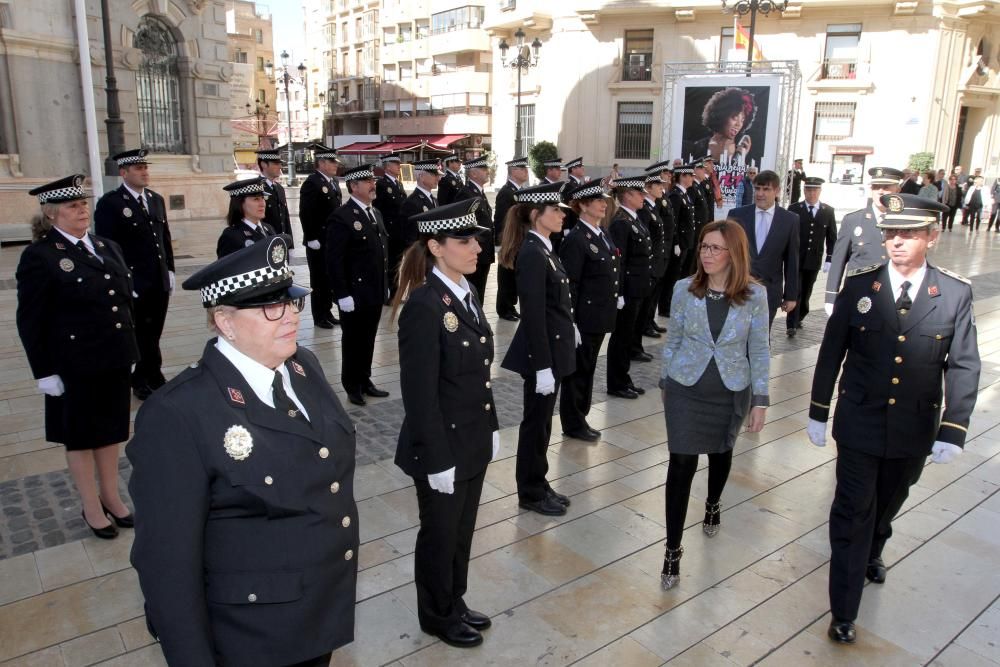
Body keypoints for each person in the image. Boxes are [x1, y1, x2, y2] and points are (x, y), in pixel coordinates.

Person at [128, 236, 359, 666]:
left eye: (292, 302)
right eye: (270, 307)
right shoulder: (178, 413)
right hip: (253, 638)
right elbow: (168, 568)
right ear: (225, 321)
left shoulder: (301, 366)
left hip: (319, 611)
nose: (289, 315)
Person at [807, 193, 980, 645]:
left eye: (908, 234)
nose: (896, 242)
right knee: (851, 513)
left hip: (914, 428)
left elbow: (963, 364)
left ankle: (876, 544)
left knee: (888, 502)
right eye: (891, 233)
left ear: (932, 237)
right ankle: (844, 611)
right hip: (860, 420)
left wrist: (954, 427)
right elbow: (832, 351)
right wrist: (818, 410)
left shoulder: (954, 293)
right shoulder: (861, 286)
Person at [392, 199, 498, 649]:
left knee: (462, 530)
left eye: (475, 239)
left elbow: (476, 373)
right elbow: (420, 395)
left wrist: (490, 429)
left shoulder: (463, 292)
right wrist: (436, 459)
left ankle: (454, 599)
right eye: (464, 240)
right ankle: (437, 614)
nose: (475, 247)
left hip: (470, 440)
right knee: (439, 534)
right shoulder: (425, 305)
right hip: (440, 447)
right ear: (435, 246)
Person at [17, 174, 138, 540]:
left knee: (110, 431)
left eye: (83, 202)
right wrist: (44, 372)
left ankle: (112, 497)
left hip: (113, 358)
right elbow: (31, 319)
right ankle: (90, 505)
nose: (82, 209)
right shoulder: (41, 256)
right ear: (52, 214)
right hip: (74, 364)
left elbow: (123, 303)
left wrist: (129, 349)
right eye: (72, 205)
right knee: (81, 437)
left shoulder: (105, 246)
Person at [658, 220, 769, 590]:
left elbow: (760, 349)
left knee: (721, 453)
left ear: (733, 253)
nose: (706, 254)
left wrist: (761, 400)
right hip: (685, 388)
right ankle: (672, 550)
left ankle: (712, 503)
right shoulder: (683, 290)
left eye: (715, 248)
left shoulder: (754, 295)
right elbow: (672, 339)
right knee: (681, 463)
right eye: (703, 247)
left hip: (730, 389)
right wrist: (666, 379)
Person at [499, 181, 576, 517]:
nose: (561, 215)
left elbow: (552, 301)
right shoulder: (532, 252)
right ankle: (529, 492)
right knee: (535, 423)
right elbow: (531, 313)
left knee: (544, 423)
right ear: (536, 214)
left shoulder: (545, 246)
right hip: (541, 356)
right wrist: (542, 366)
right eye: (555, 210)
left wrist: (569, 324)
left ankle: (539, 482)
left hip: (554, 349)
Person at [94, 148, 174, 400]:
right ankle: (141, 379)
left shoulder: (155, 199)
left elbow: (165, 238)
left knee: (155, 330)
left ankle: (154, 373)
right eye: (138, 168)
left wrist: (169, 269)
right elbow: (107, 248)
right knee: (140, 332)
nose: (144, 172)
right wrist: (123, 279)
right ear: (123, 172)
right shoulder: (111, 203)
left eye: (145, 167)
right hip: (134, 282)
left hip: (158, 279)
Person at [558, 179, 622, 442]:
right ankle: (573, 422)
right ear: (583, 206)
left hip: (600, 316)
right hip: (584, 319)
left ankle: (580, 416)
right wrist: (571, 321)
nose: (603, 204)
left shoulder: (600, 232)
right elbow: (570, 284)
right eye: (597, 201)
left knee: (588, 368)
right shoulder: (576, 239)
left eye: (603, 200)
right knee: (577, 372)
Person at [326, 164, 390, 406]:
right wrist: (342, 294)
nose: (373, 185)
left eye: (373, 180)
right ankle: (352, 385)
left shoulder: (376, 213)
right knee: (353, 340)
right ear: (354, 186)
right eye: (367, 182)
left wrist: (385, 284)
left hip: (373, 291)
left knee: (369, 338)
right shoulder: (342, 217)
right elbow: (334, 260)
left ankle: (365, 380)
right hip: (353, 294)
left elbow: (382, 254)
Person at [824, 167, 902, 314]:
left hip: (892, 296)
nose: (880, 191)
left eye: (886, 187)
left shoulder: (904, 223)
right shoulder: (853, 220)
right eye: (876, 187)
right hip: (858, 295)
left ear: (897, 189)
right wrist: (831, 297)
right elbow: (838, 261)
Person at [726, 169, 799, 326]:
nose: (760, 194)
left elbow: (792, 259)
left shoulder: (789, 220)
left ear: (777, 191)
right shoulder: (737, 215)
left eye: (766, 189)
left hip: (770, 292)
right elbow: (727, 254)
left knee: (761, 340)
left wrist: (791, 296)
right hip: (739, 289)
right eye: (757, 188)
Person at [606, 175, 653, 398]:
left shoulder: (634, 219)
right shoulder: (621, 222)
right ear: (627, 196)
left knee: (628, 336)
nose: (644, 196)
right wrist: (620, 293)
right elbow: (619, 261)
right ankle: (616, 382)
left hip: (638, 289)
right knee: (621, 338)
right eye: (639, 193)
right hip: (628, 291)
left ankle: (624, 378)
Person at [298, 143, 343, 329]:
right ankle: (319, 316)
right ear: (321, 162)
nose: (335, 165)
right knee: (318, 279)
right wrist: (311, 237)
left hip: (330, 240)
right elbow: (306, 212)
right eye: (332, 162)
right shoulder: (312, 182)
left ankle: (327, 312)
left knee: (328, 277)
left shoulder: (331, 182)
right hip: (318, 240)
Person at [786, 177, 836, 336]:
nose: (811, 193)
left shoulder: (828, 211)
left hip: (813, 259)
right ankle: (791, 324)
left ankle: (800, 315)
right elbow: (787, 234)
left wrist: (830, 257)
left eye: (815, 190)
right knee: (795, 290)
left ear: (820, 191)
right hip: (795, 258)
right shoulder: (794, 208)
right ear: (804, 191)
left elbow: (831, 236)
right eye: (808, 190)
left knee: (807, 292)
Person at [452, 156, 495, 303]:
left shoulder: (479, 193)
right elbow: (463, 226)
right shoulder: (466, 193)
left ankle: (478, 319)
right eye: (484, 169)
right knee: (472, 290)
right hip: (473, 251)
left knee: (480, 291)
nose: (487, 172)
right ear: (473, 173)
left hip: (483, 251)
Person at [635, 173, 671, 347]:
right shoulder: (644, 210)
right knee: (646, 301)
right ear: (648, 188)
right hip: (650, 263)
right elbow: (646, 238)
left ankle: (649, 321)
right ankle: (645, 325)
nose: (661, 188)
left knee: (652, 298)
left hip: (657, 260)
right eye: (658, 185)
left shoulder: (653, 207)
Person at [495, 156, 529, 321]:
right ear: (513, 171)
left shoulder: (518, 192)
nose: (526, 171)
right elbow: (501, 219)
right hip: (509, 240)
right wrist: (502, 242)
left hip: (518, 240)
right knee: (506, 276)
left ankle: (510, 305)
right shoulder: (506, 192)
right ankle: (504, 308)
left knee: (513, 275)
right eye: (522, 169)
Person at [684, 87, 756, 164]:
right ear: (721, 116)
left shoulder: (742, 149)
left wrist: (741, 158)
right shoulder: (698, 148)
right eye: (734, 118)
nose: (738, 124)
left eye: (742, 120)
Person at [661, 164, 697, 315]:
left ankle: (672, 303)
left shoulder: (684, 194)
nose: (692, 179)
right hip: (679, 243)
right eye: (690, 176)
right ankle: (665, 307)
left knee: (679, 275)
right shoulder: (676, 195)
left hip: (685, 242)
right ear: (682, 176)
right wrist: (676, 242)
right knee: (672, 277)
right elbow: (673, 222)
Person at [373, 153, 408, 296]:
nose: (399, 166)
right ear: (387, 166)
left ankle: (396, 292)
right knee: (391, 264)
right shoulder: (381, 184)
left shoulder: (398, 183)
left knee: (398, 263)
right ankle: (391, 294)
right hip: (389, 231)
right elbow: (378, 209)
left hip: (399, 231)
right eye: (396, 164)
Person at [216, 177, 277, 258]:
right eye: (256, 199)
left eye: (263, 198)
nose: (262, 204)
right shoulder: (231, 236)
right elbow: (226, 268)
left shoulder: (268, 229)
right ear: (240, 204)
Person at [256, 149, 294, 244]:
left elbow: (285, 218)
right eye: (275, 164)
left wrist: (290, 243)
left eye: (280, 164)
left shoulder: (279, 188)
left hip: (281, 241)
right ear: (264, 165)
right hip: (265, 242)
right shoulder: (256, 188)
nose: (280, 167)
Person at [400, 159, 441, 244]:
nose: (438, 178)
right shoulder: (411, 202)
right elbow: (411, 237)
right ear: (421, 177)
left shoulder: (434, 199)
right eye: (434, 174)